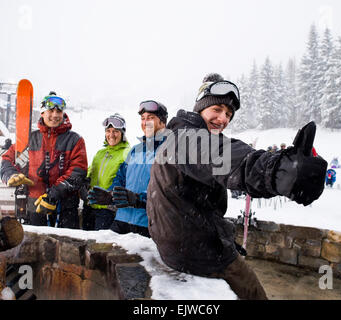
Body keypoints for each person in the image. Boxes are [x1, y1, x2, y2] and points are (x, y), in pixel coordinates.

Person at [146, 73, 327, 300]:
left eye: (228, 114)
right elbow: (225, 156)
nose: (223, 119)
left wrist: (225, 238)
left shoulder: (179, 138)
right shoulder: (188, 139)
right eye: (217, 109)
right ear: (200, 108)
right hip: (200, 255)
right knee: (254, 293)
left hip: (190, 246)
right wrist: (277, 170)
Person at [0, 92, 88, 228]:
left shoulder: (75, 140)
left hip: (65, 209)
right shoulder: (30, 139)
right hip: (35, 207)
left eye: (59, 111)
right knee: (36, 247)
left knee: (66, 247)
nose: (55, 115)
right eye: (50, 110)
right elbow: (7, 159)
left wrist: (54, 194)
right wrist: (11, 175)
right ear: (42, 112)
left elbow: (78, 172)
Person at [87, 100, 168, 237]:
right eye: (143, 118)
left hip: (148, 225)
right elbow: (121, 177)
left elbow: (169, 192)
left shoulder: (169, 150)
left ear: (163, 122)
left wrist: (139, 200)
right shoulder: (135, 151)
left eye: (151, 118)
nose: (145, 122)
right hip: (121, 221)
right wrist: (111, 195)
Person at [81, 114, 130, 230]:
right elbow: (90, 173)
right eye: (108, 131)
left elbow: (126, 180)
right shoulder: (100, 153)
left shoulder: (127, 153)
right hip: (90, 206)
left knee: (100, 246)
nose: (111, 135)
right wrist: (83, 184)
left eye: (116, 131)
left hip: (107, 210)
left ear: (122, 133)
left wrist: (112, 197)